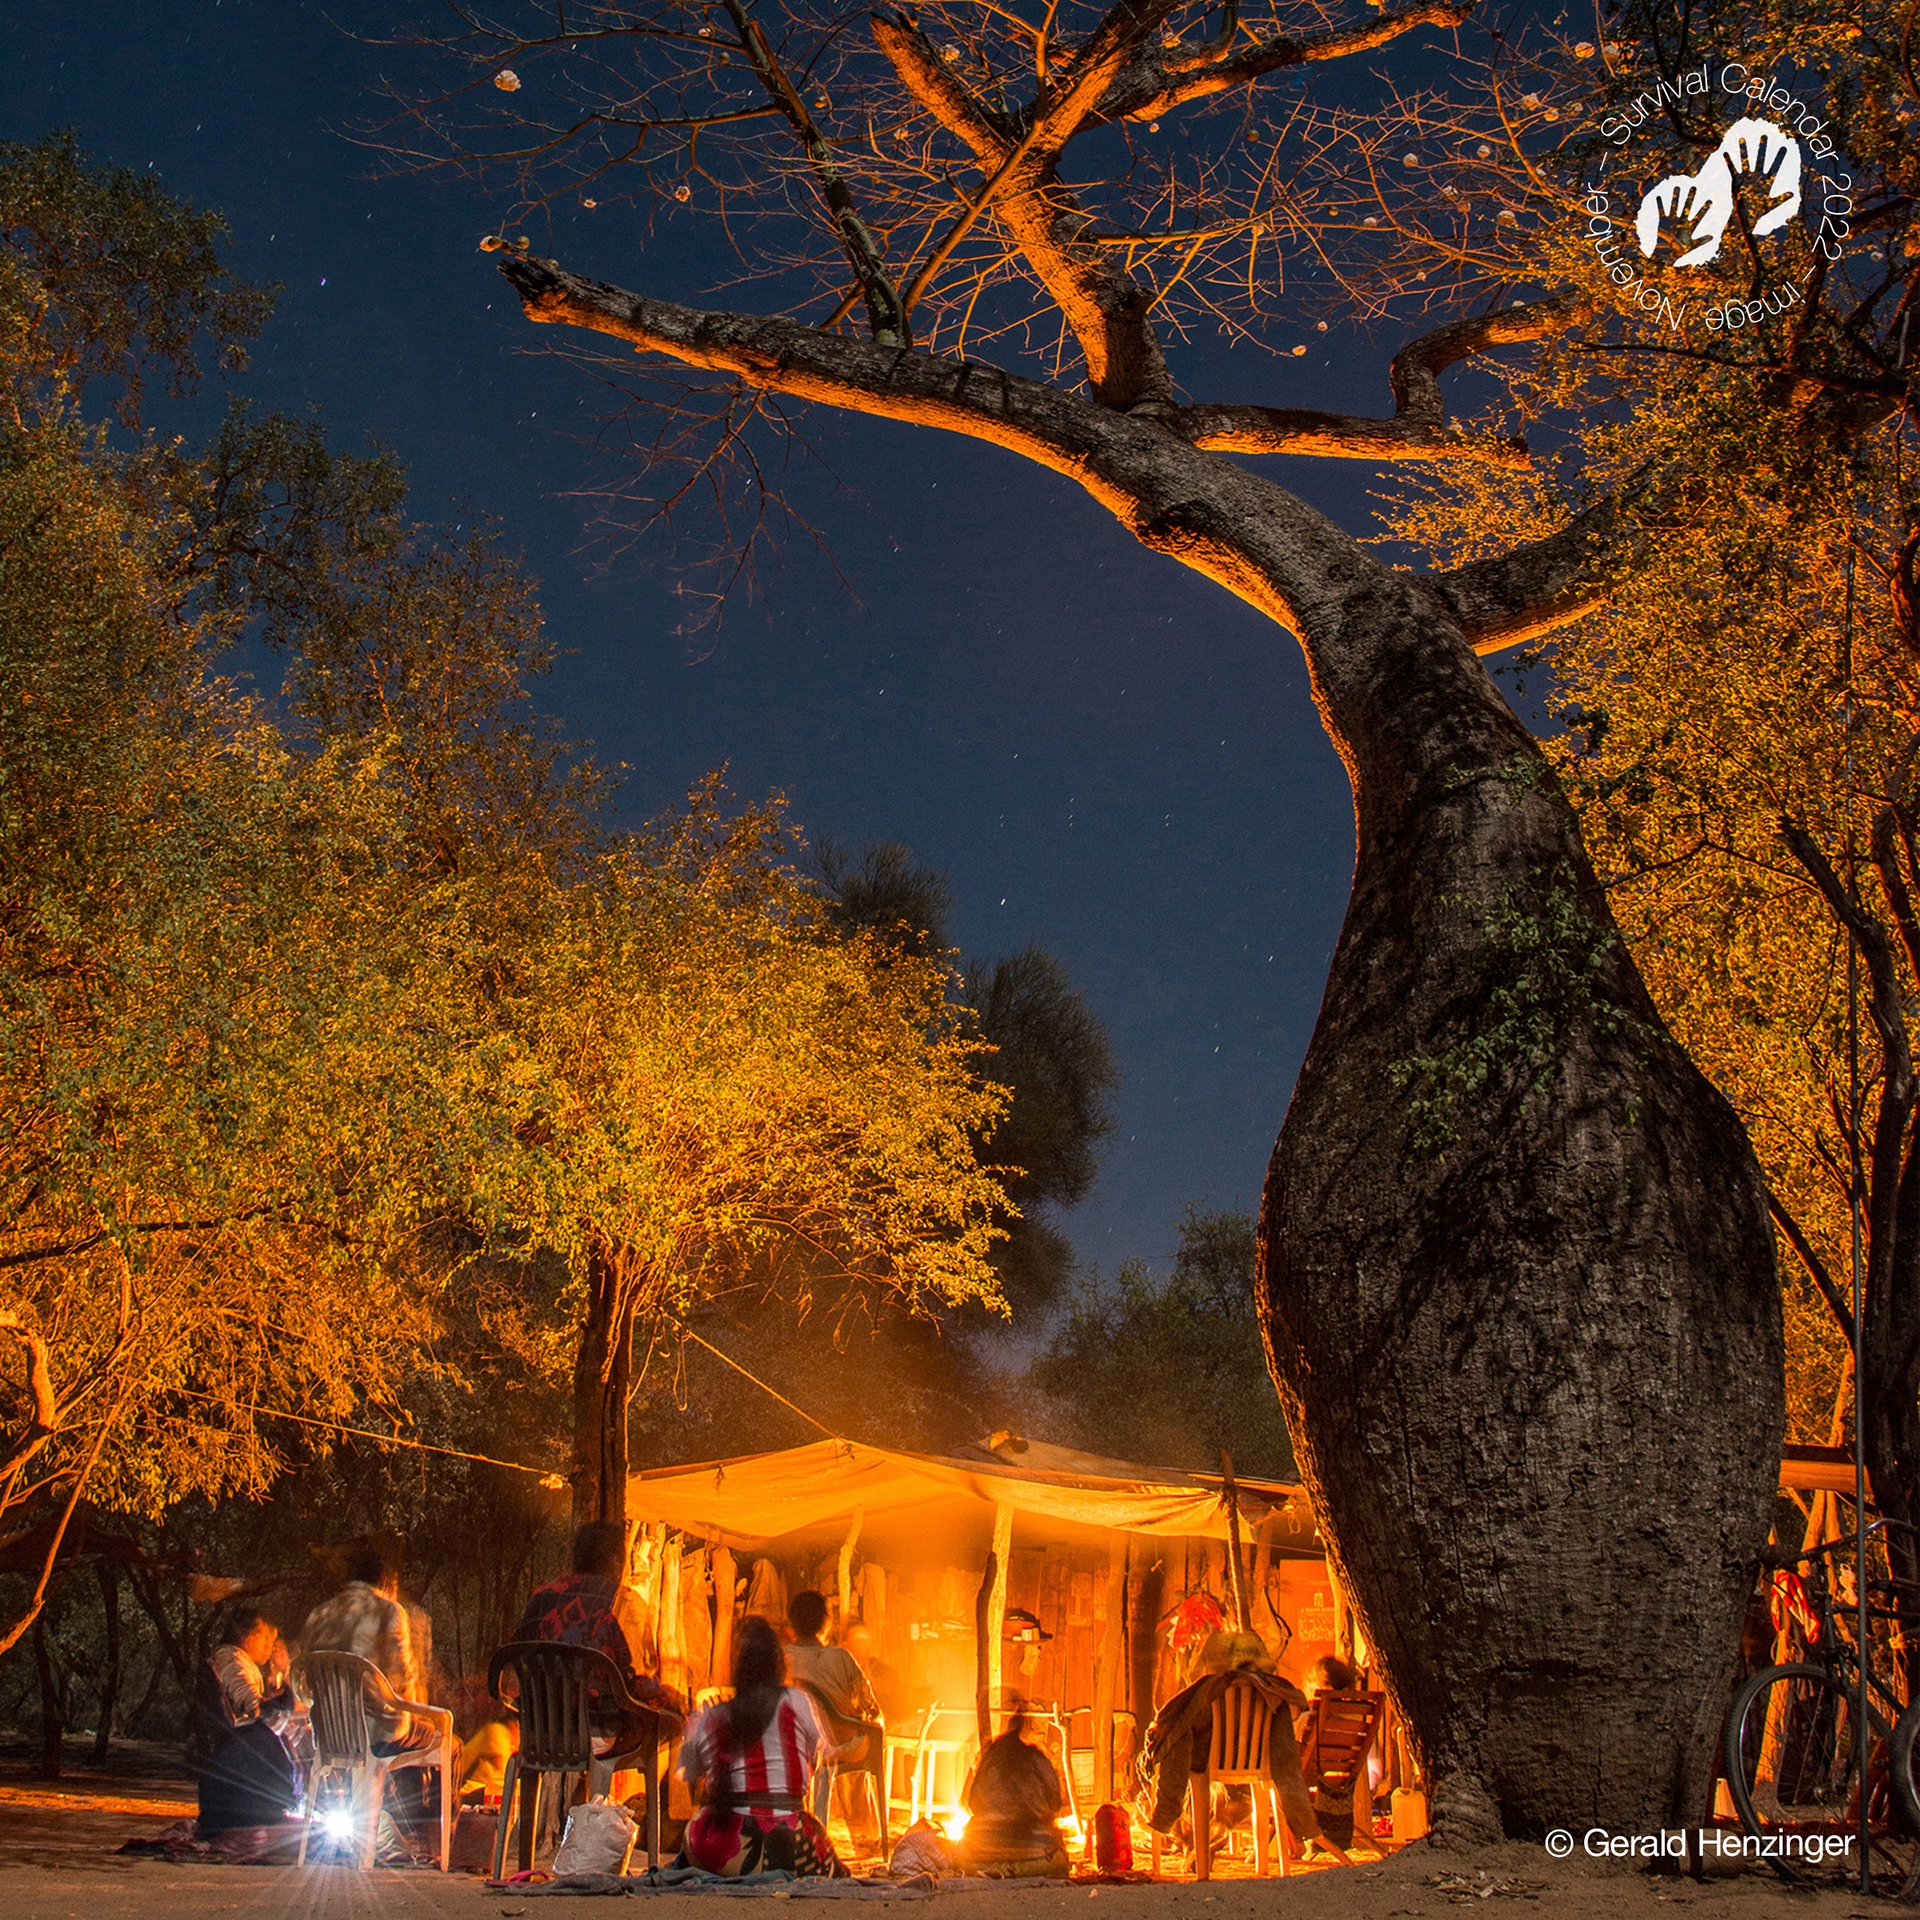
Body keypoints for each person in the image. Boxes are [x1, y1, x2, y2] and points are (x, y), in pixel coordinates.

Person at [676, 1615, 848, 1877]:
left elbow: (686, 1773)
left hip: (724, 1854)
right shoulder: (798, 1701)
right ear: (779, 1664)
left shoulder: (715, 1714)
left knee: (697, 1825)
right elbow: (824, 1752)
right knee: (819, 1839)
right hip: (793, 1850)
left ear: (739, 1667)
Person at [301, 1545, 432, 1754]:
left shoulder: (318, 1614)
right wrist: (416, 1706)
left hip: (326, 1731)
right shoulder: (388, 1611)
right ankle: (412, 1787)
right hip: (374, 1732)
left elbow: (305, 1679)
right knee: (434, 1735)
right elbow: (401, 1675)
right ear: (383, 1579)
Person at [189, 1605, 299, 1837]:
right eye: (268, 1637)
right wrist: (287, 1692)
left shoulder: (239, 1662)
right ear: (247, 1635)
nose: (271, 1646)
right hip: (243, 1759)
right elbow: (255, 1710)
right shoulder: (231, 1660)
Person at [958, 1711, 1070, 1877]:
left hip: (980, 1860)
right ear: (1026, 1729)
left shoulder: (990, 1759)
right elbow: (1056, 1803)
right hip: (1035, 1860)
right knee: (1058, 1853)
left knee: (963, 1846)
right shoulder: (1037, 1759)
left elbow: (969, 1803)